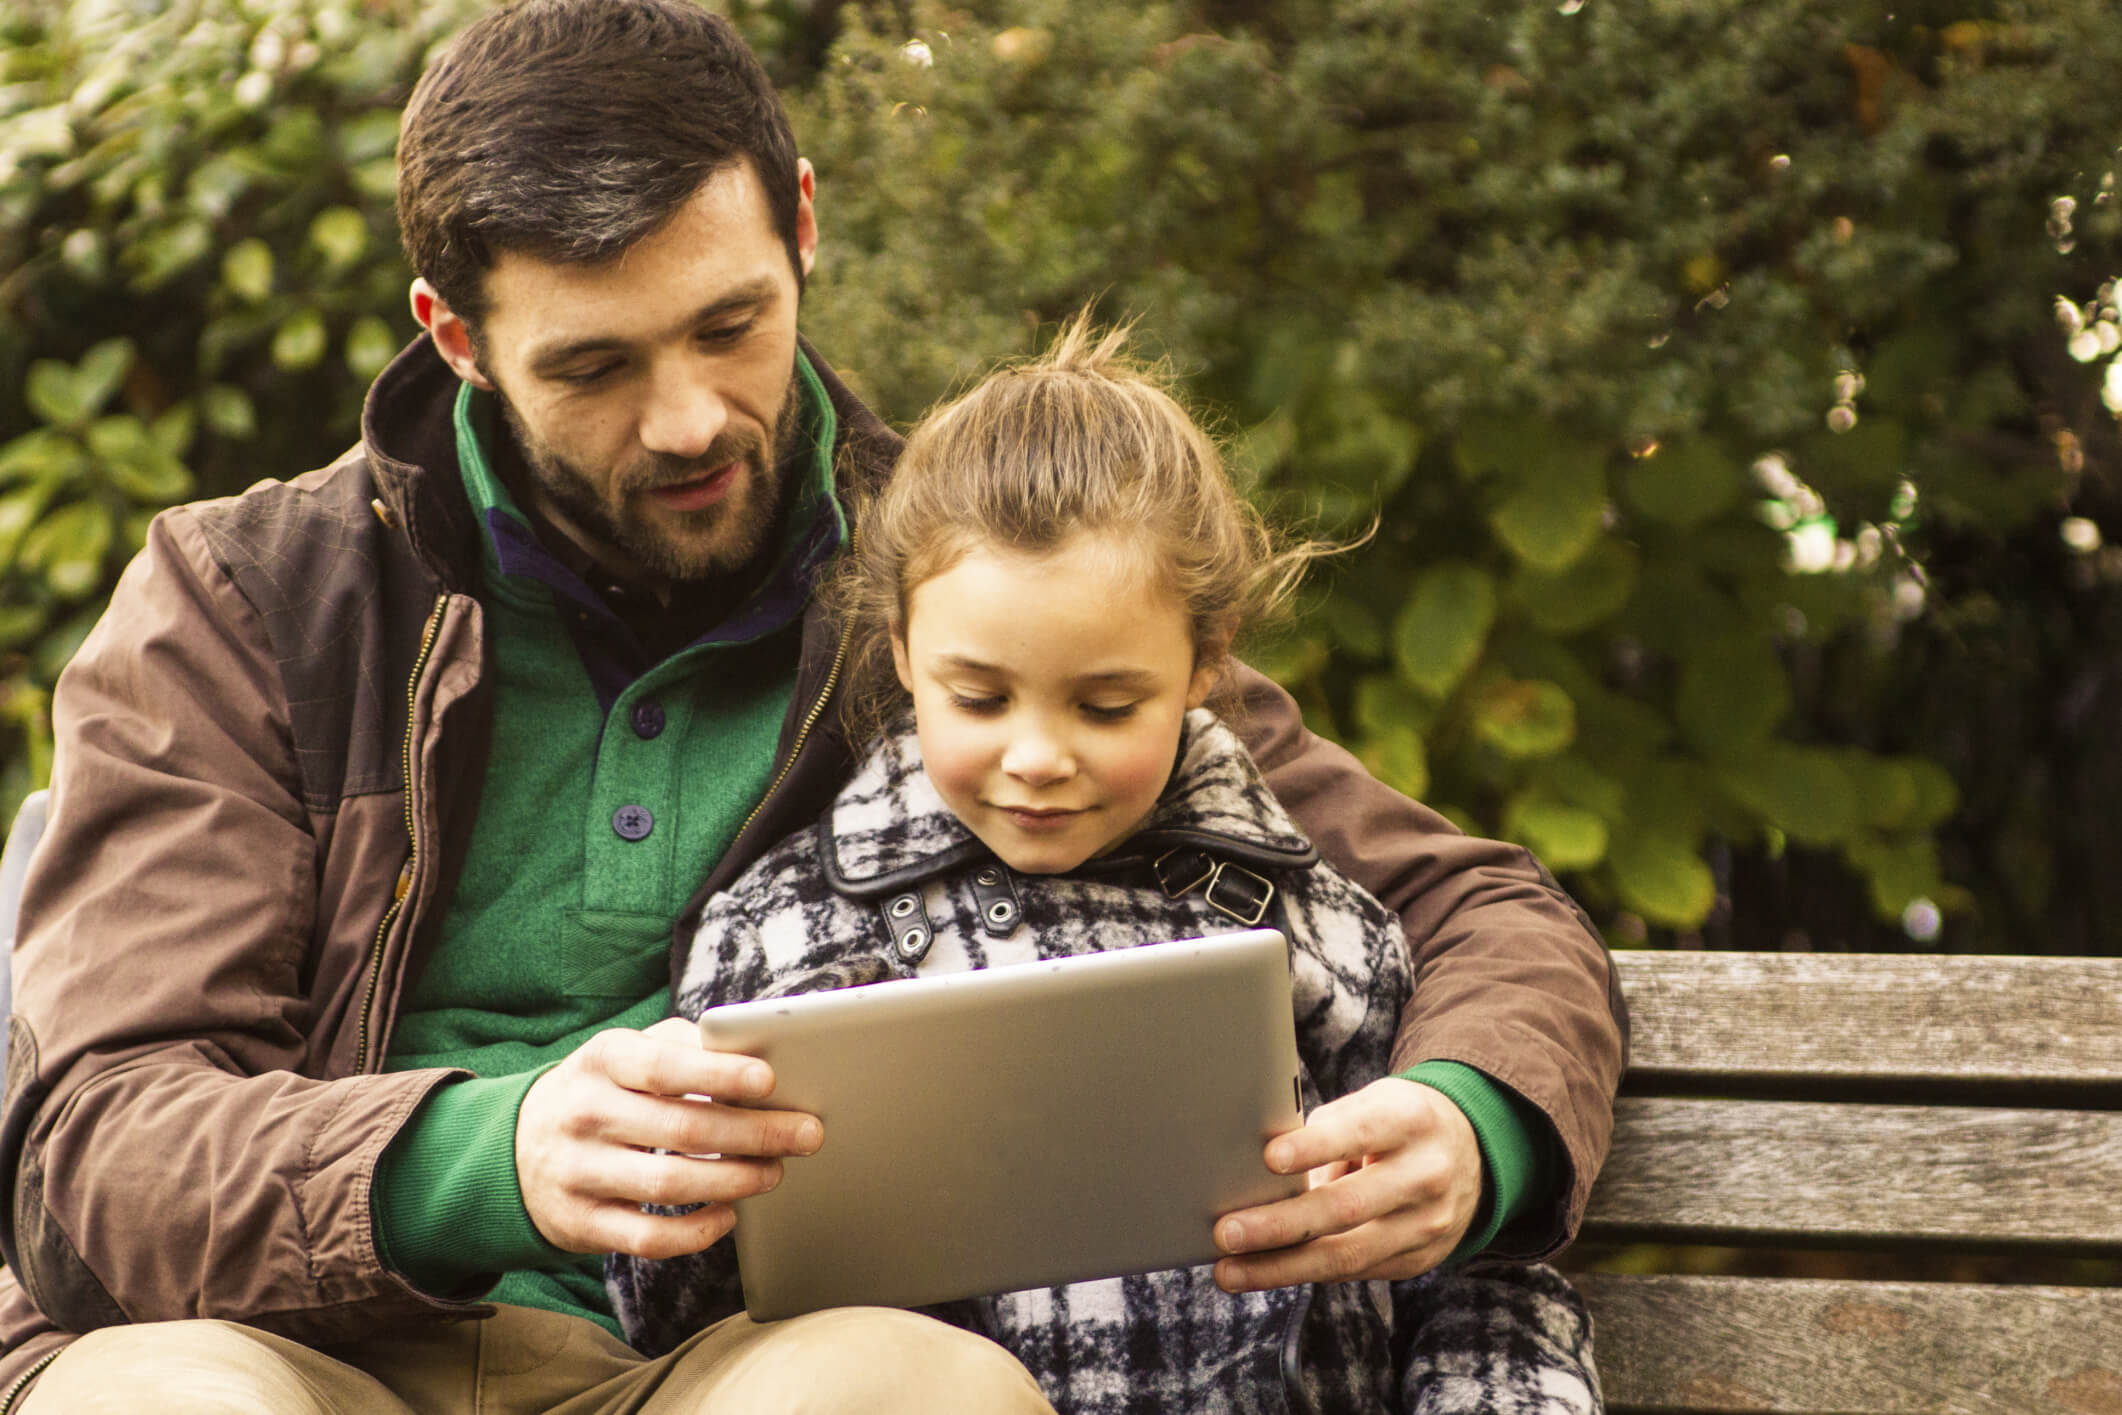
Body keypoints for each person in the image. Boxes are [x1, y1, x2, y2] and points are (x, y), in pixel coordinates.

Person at [0, 0, 1624, 1410]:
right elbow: (103, 1146)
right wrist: (492, 1156)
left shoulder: (958, 585)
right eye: (595, 368)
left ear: (801, 227)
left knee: (919, 1394)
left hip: (725, 1360)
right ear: (459, 338)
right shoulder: (245, 601)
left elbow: (1474, 906)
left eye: (731, 325)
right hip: (280, 1347)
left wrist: (1475, 1123)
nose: (689, 418)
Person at [607, 320, 1601, 1413]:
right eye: (979, 697)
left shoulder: (1320, 926)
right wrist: (675, 1182)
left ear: (1205, 663)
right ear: (899, 651)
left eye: (1106, 703)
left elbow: (1473, 1281)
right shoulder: (779, 931)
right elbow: (675, 1322)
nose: (1037, 758)